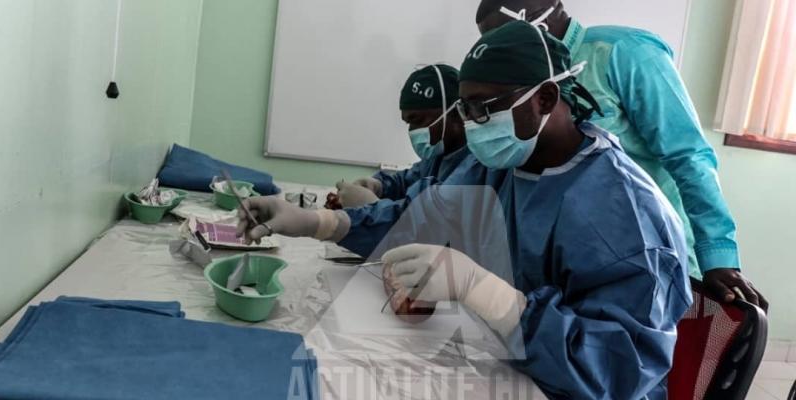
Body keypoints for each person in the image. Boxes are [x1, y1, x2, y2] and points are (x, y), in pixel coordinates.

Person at [237, 22, 692, 399]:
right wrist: (319, 221)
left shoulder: (624, 213)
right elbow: (420, 216)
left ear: (545, 99)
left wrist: (490, 295)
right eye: (466, 109)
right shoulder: (502, 164)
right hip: (514, 362)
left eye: (483, 108)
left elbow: (620, 373)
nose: (472, 125)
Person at [474, 0, 767, 309]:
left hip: (646, 250)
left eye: (501, 39)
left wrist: (717, 255)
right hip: (576, 252)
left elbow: (689, 156)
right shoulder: (524, 84)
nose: (498, 51)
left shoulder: (624, 53)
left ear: (538, 23)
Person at [335, 65, 470, 208]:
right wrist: (380, 186)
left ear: (456, 113)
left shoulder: (476, 168)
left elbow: (426, 221)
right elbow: (406, 182)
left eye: (417, 120)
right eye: (409, 123)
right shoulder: (437, 158)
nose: (413, 131)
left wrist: (374, 207)